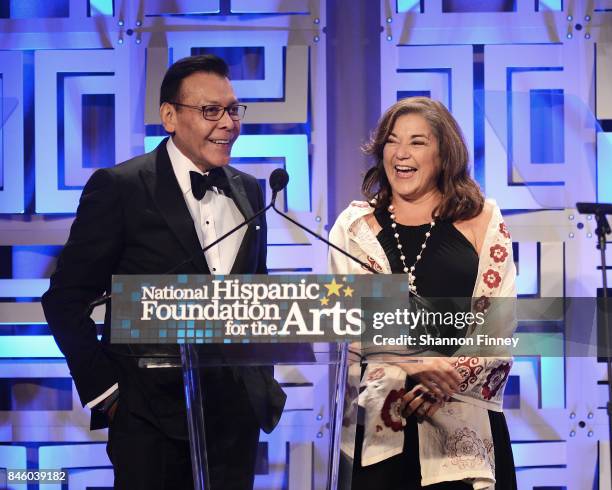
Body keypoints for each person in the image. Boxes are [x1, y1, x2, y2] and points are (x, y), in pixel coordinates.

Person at [41, 54, 286, 490]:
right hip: (149, 420)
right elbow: (64, 300)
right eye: (211, 111)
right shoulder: (120, 188)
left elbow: (256, 294)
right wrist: (109, 394)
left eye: (233, 109)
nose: (228, 122)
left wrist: (260, 382)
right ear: (169, 116)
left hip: (234, 420)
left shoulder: (251, 190)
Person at [329, 97, 517, 489]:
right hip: (381, 426)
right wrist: (411, 362)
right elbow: (342, 323)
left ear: (444, 153)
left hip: (463, 422)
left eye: (417, 142)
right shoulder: (355, 229)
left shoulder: (482, 220)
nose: (401, 153)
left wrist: (442, 384)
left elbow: (497, 325)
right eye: (392, 141)